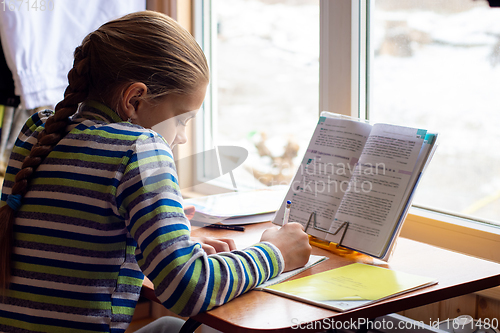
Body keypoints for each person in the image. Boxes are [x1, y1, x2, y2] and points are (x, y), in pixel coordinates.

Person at [0, 11, 311, 333]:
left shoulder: (37, 131)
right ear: (134, 99)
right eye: (181, 119)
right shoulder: (139, 148)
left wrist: (169, 242)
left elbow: (66, 232)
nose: (182, 137)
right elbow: (187, 291)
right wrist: (276, 253)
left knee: (165, 326)